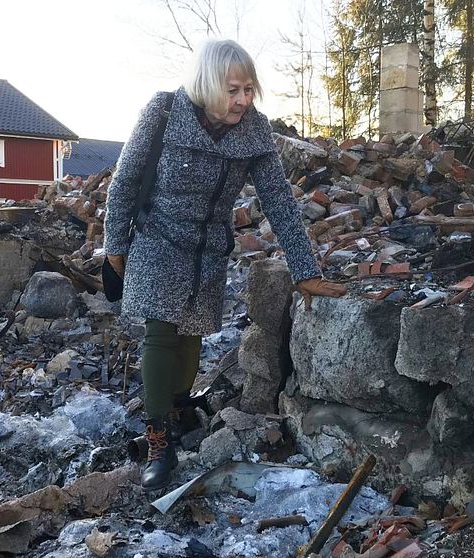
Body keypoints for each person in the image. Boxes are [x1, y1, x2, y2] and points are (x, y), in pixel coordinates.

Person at [104, 39, 346, 491]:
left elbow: (278, 200)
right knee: (162, 330)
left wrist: (305, 270)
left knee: (193, 329)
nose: (242, 100)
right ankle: (158, 441)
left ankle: (177, 404)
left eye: (249, 89)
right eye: (233, 89)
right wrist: (114, 247)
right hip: (160, 236)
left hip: (210, 245)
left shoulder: (254, 131)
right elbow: (125, 182)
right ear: (209, 84)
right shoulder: (163, 112)